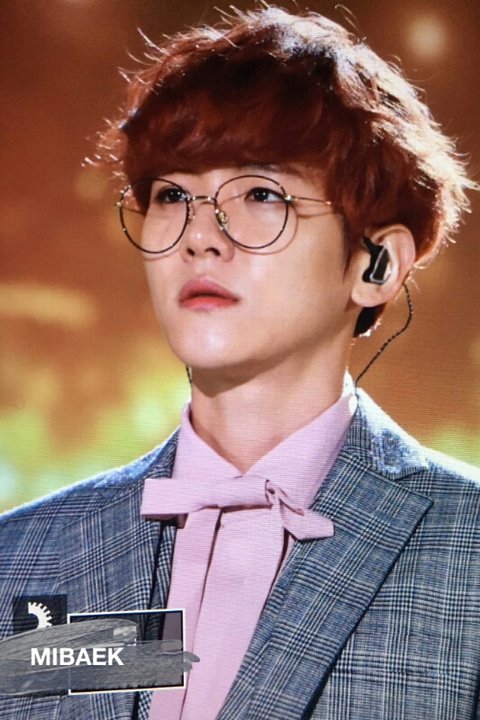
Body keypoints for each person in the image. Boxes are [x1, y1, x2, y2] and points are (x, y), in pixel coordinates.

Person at [0, 5, 479, 719]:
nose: (200, 236)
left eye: (261, 194)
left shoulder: (467, 545)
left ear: (377, 263)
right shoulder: (23, 555)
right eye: (173, 195)